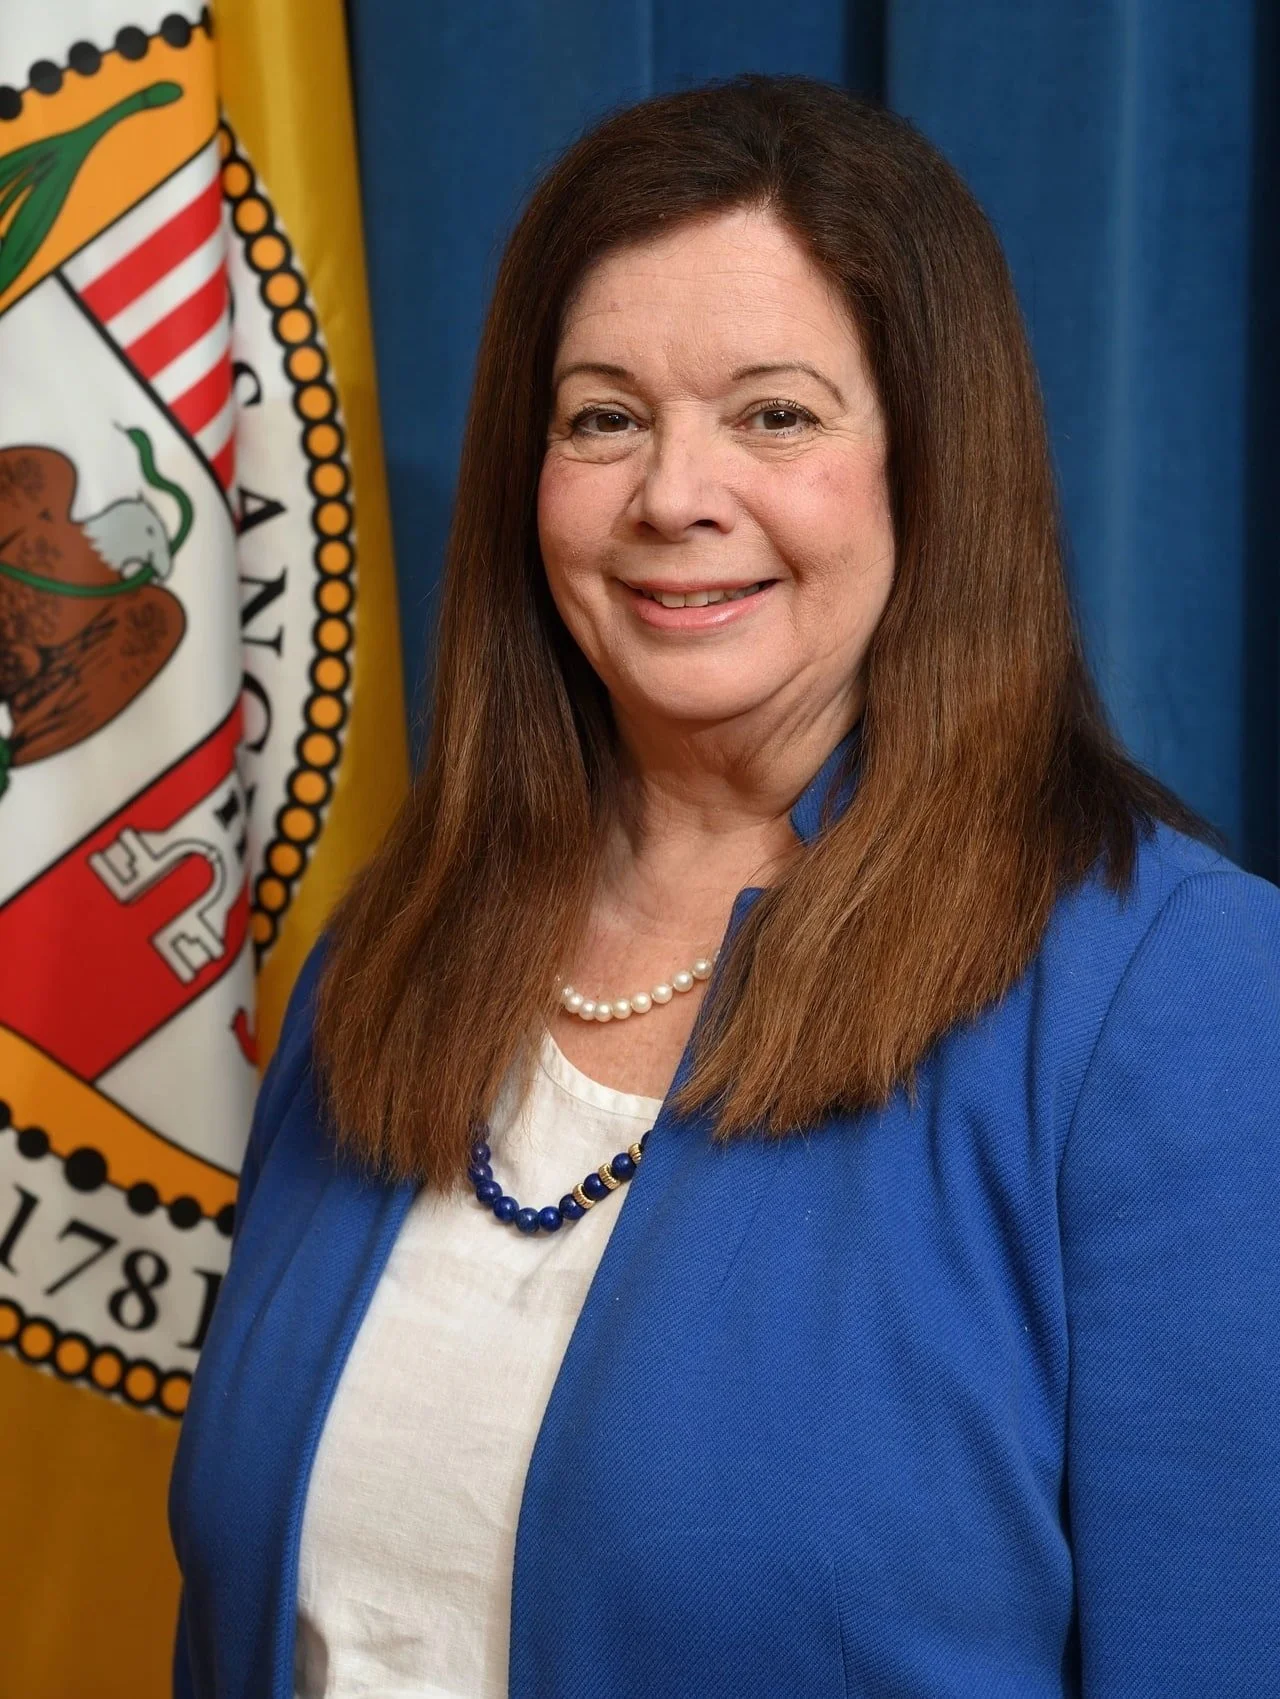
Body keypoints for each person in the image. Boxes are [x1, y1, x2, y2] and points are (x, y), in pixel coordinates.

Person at [168, 75, 1280, 1699]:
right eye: (603, 416)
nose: (673, 493)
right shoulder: (386, 957)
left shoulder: (1172, 997)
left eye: (775, 415)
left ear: (932, 466)